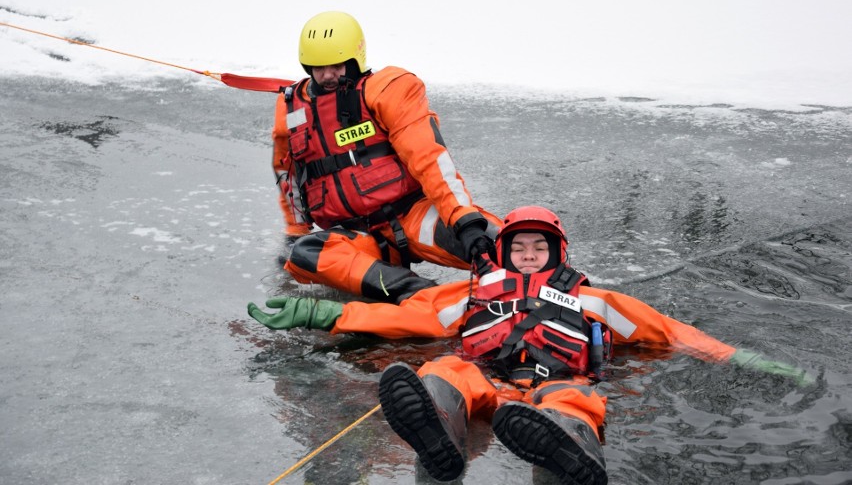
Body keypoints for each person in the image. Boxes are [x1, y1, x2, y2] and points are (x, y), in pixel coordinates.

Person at [248, 206, 811, 484]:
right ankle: (437, 429)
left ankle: (568, 446)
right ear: (506, 252)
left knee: (574, 401)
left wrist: (750, 360)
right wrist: (323, 312)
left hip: (558, 383)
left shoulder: (595, 300)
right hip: (486, 376)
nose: (529, 256)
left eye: (539, 249)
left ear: (557, 252)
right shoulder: (473, 292)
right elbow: (411, 316)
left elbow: (672, 332)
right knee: (446, 367)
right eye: (520, 248)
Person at [271, 10, 500, 304]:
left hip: (411, 215)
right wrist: (295, 231)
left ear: (355, 59)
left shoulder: (388, 90)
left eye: (336, 65)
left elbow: (429, 158)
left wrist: (464, 221)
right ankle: (425, 298)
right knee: (303, 254)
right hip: (356, 238)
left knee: (504, 243)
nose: (327, 75)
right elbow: (287, 174)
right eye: (318, 68)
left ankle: (558, 285)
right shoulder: (291, 109)